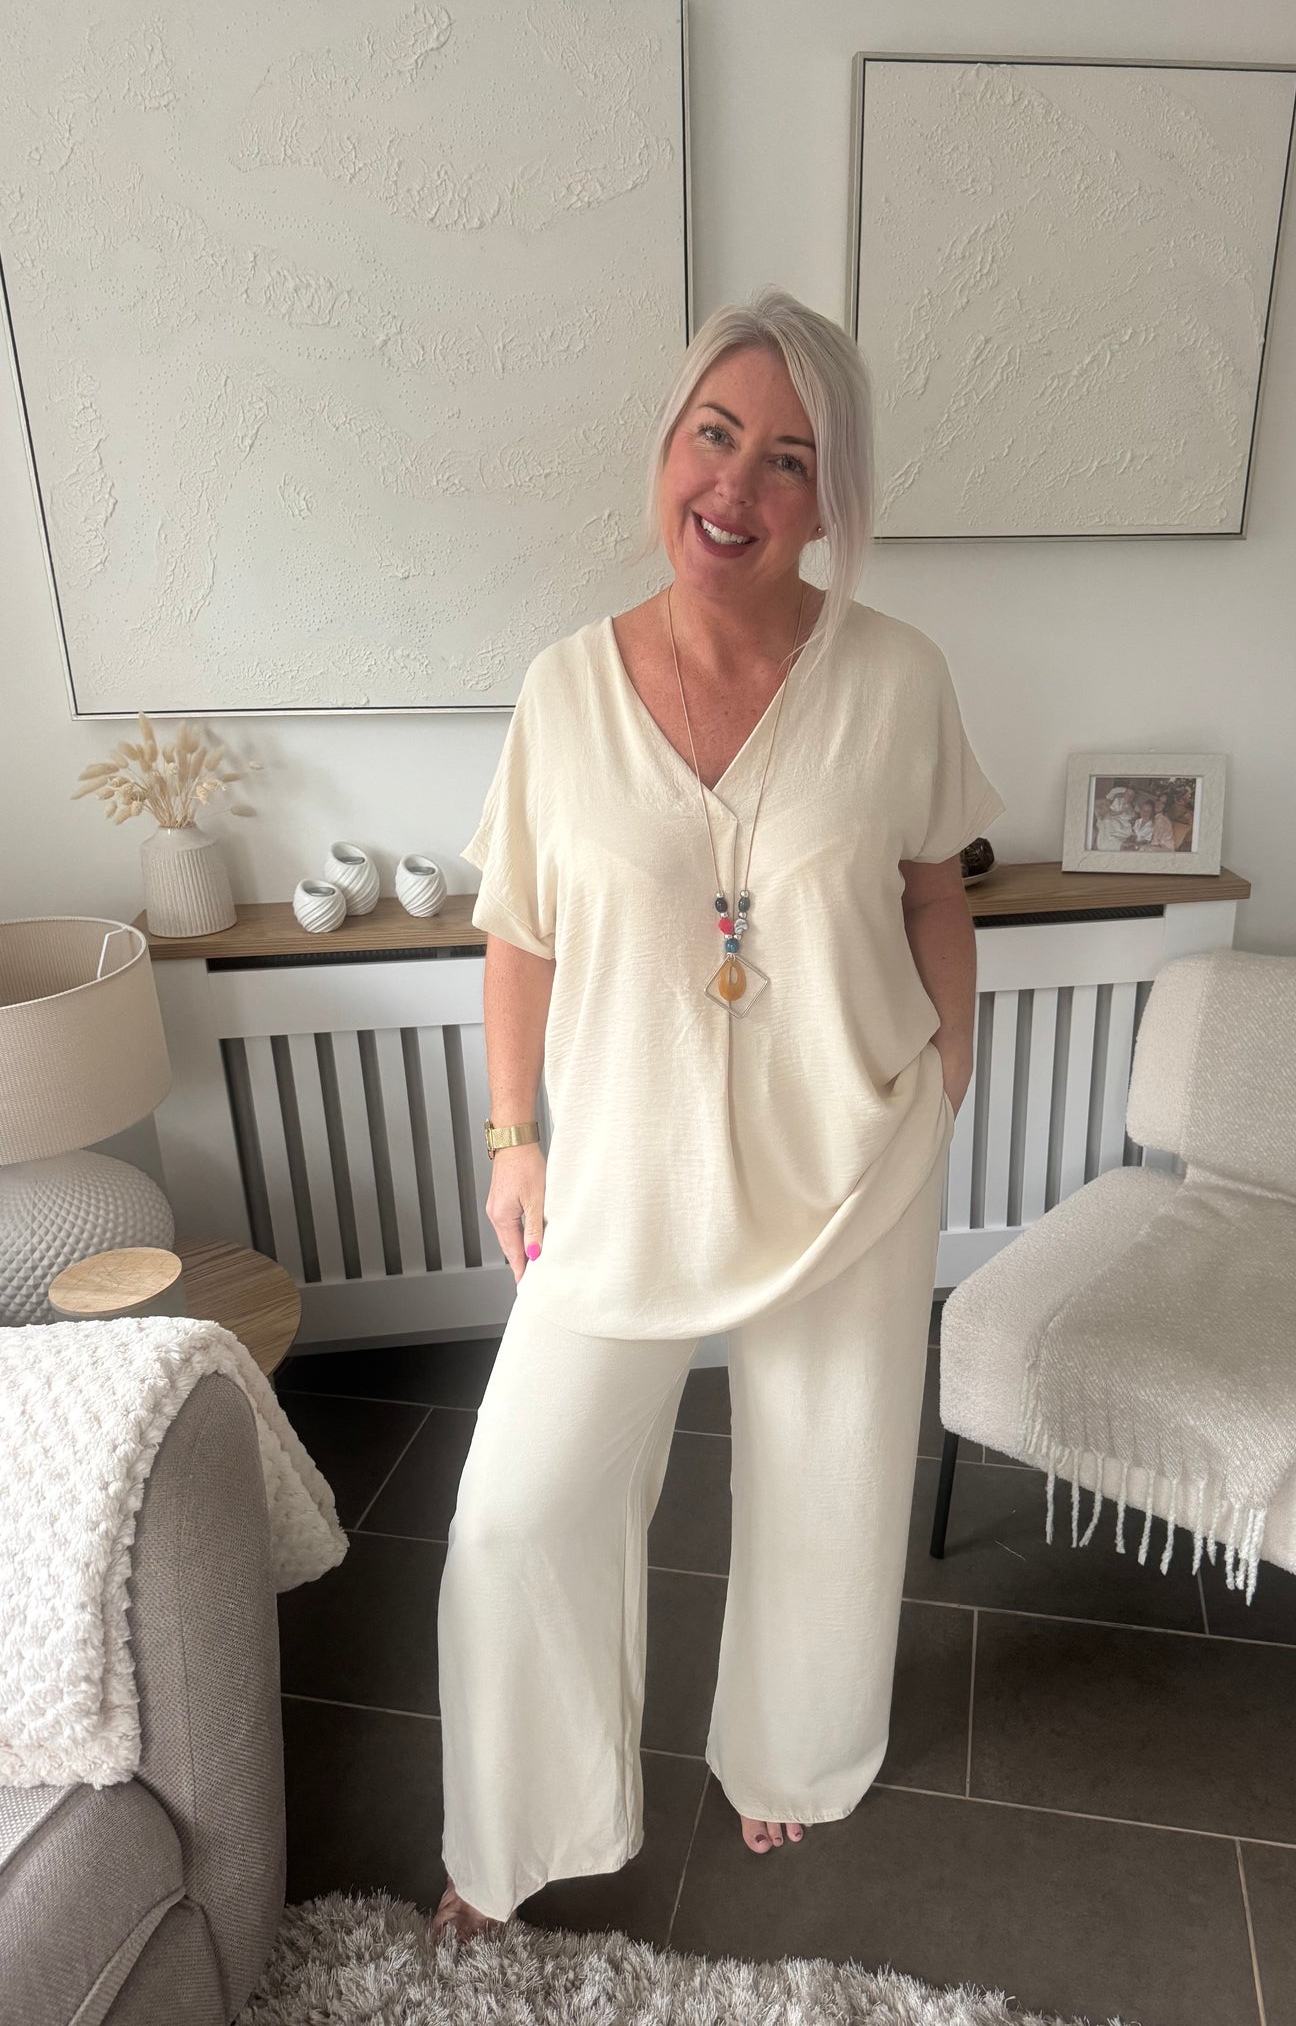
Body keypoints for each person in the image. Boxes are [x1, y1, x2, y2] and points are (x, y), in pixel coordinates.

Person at [429, 286, 1004, 1946]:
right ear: (670, 447)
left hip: (852, 1153)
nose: (737, 486)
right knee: (516, 1510)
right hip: (626, 1172)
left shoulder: (897, 676)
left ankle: (792, 1751)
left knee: (829, 1476)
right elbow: (520, 931)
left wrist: (947, 1067)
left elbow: (936, 884)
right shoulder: (564, 689)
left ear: (829, 502)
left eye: (788, 459)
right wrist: (514, 1137)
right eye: (716, 434)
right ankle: (519, 1830)